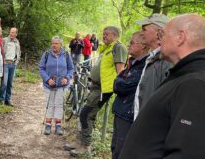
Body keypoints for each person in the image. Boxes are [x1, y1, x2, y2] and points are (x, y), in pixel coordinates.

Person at [120, 14, 205, 159]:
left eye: (163, 34)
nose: (160, 41)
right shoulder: (182, 75)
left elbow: (187, 152)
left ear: (180, 37)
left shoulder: (194, 84)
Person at [77, 26, 127, 152]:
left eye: (107, 34)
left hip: (102, 90)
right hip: (95, 87)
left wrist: (118, 89)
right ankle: (82, 142)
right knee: (89, 115)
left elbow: (120, 71)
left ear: (115, 35)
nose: (103, 36)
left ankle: (85, 146)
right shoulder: (106, 48)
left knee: (85, 114)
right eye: (103, 34)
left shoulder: (118, 47)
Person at [111, 31, 149, 159]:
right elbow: (118, 80)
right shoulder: (132, 62)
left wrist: (119, 81)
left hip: (128, 113)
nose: (129, 45)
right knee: (114, 147)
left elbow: (122, 85)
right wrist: (119, 81)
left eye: (132, 42)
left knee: (121, 151)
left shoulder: (144, 65)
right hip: (120, 110)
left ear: (143, 45)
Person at [133, 14, 172, 119]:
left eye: (144, 29)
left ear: (159, 32)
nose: (141, 33)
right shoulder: (153, 58)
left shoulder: (166, 61)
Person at [39, 36, 74, 135]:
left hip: (62, 85)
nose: (54, 45)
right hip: (49, 85)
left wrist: (67, 78)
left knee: (59, 104)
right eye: (52, 43)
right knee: (49, 104)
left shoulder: (66, 55)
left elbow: (71, 68)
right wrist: (47, 79)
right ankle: (48, 125)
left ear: (60, 45)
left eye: (56, 43)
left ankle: (58, 126)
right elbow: (41, 68)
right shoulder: (46, 54)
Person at [0, 27, 21, 106]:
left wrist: (16, 61)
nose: (11, 34)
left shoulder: (17, 42)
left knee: (10, 83)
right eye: (11, 32)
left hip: (13, 64)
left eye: (13, 32)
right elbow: (0, 51)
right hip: (5, 64)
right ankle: (1, 100)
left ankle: (7, 100)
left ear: (16, 34)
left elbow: (19, 52)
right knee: (4, 83)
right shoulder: (4, 40)